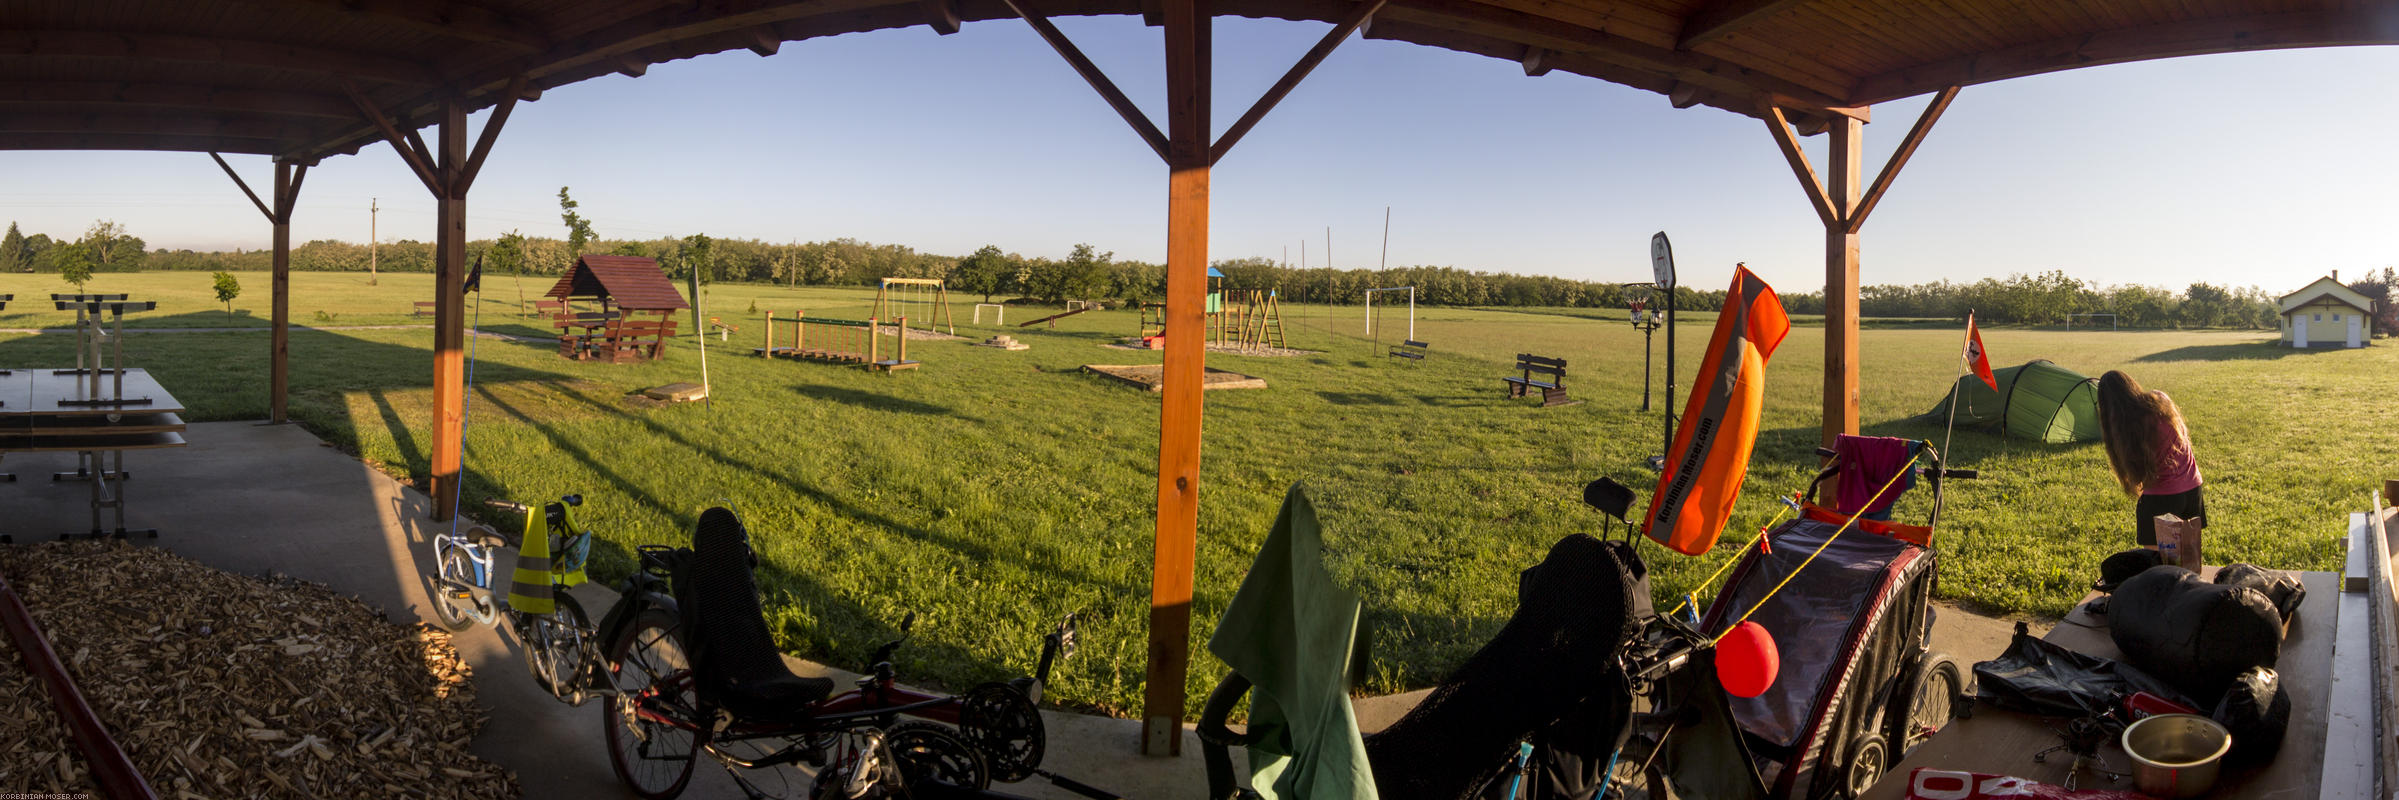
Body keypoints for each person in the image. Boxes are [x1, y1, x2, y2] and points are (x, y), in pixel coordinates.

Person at [2096, 370, 2204, 546]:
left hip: (2162, 498)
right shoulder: (2160, 399)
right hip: (2193, 488)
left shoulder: (2125, 428)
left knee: (2157, 564)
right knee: (2191, 557)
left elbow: (2138, 475)